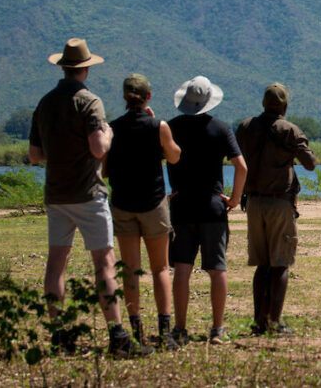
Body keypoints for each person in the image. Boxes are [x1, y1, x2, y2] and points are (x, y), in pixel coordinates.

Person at [28, 38, 149, 357]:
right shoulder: (89, 101)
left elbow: (34, 155)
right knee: (104, 265)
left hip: (56, 194)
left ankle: (58, 335)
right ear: (85, 69)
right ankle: (118, 335)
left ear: (63, 67)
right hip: (88, 194)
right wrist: (108, 133)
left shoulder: (44, 103)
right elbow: (98, 148)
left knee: (56, 265)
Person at [104, 73, 182, 350]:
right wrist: (157, 125)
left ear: (125, 97)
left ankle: (136, 330)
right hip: (153, 204)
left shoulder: (111, 129)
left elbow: (104, 170)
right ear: (148, 96)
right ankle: (164, 333)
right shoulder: (158, 126)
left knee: (131, 269)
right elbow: (174, 156)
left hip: (123, 204)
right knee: (160, 267)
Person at [167, 75, 246, 345]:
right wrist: (234, 199)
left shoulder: (171, 128)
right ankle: (217, 329)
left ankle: (179, 328)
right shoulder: (221, 129)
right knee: (217, 269)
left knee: (182, 268)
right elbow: (242, 167)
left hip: (181, 207)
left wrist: (168, 192)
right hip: (213, 207)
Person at [235, 82, 317, 335]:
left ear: (263, 103)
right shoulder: (289, 130)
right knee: (280, 263)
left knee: (261, 265)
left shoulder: (245, 128)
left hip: (254, 202)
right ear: (285, 105)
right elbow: (310, 164)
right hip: (280, 203)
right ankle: (275, 322)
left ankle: (259, 321)